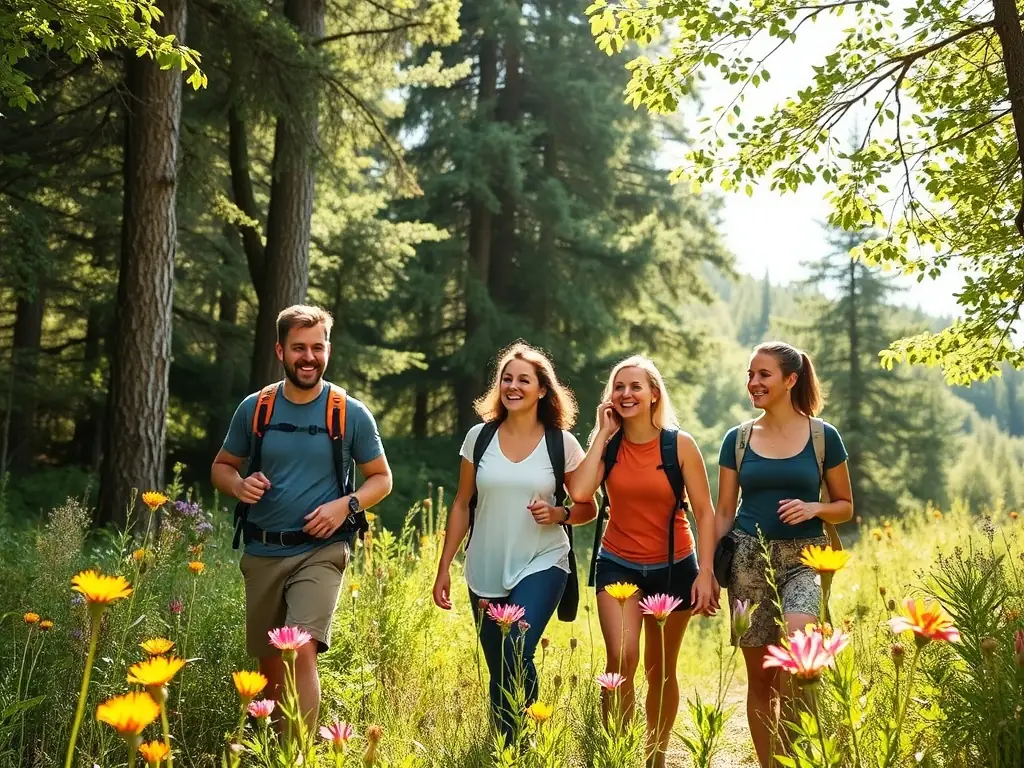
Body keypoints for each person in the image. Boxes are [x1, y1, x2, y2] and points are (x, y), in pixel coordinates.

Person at [211, 304, 393, 732]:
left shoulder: (349, 412)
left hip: (321, 552)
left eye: (317, 347)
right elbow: (222, 466)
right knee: (271, 663)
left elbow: (381, 479)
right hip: (262, 550)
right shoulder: (255, 408)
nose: (308, 357)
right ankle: (278, 749)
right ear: (280, 350)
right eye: (298, 348)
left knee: (300, 648)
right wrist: (239, 486)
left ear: (328, 350)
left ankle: (304, 754)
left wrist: (344, 505)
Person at [432, 342, 596, 744]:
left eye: (524, 379)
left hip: (544, 559)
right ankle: (506, 745)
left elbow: (587, 507)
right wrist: (443, 568)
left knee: (516, 647)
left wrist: (559, 514)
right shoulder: (479, 437)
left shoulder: (562, 443)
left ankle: (523, 743)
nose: (513, 385)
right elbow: (461, 502)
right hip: (485, 566)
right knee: (499, 664)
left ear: (543, 390)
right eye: (507, 378)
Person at [569, 355, 718, 768]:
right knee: (621, 658)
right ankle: (616, 754)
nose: (626, 394)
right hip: (618, 563)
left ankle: (656, 755)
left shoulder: (679, 445)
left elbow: (704, 513)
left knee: (661, 668)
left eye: (636, 387)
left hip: (675, 566)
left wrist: (706, 573)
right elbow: (580, 492)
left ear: (654, 394)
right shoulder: (610, 445)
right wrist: (600, 435)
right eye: (619, 387)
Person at [714, 341, 853, 768]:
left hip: (806, 559)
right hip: (747, 561)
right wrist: (706, 574)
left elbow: (846, 506)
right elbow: (723, 510)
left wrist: (814, 507)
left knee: (799, 658)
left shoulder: (822, 436)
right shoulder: (737, 439)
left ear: (790, 380)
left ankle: (795, 758)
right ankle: (769, 764)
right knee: (761, 677)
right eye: (750, 374)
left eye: (764, 375)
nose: (753, 382)